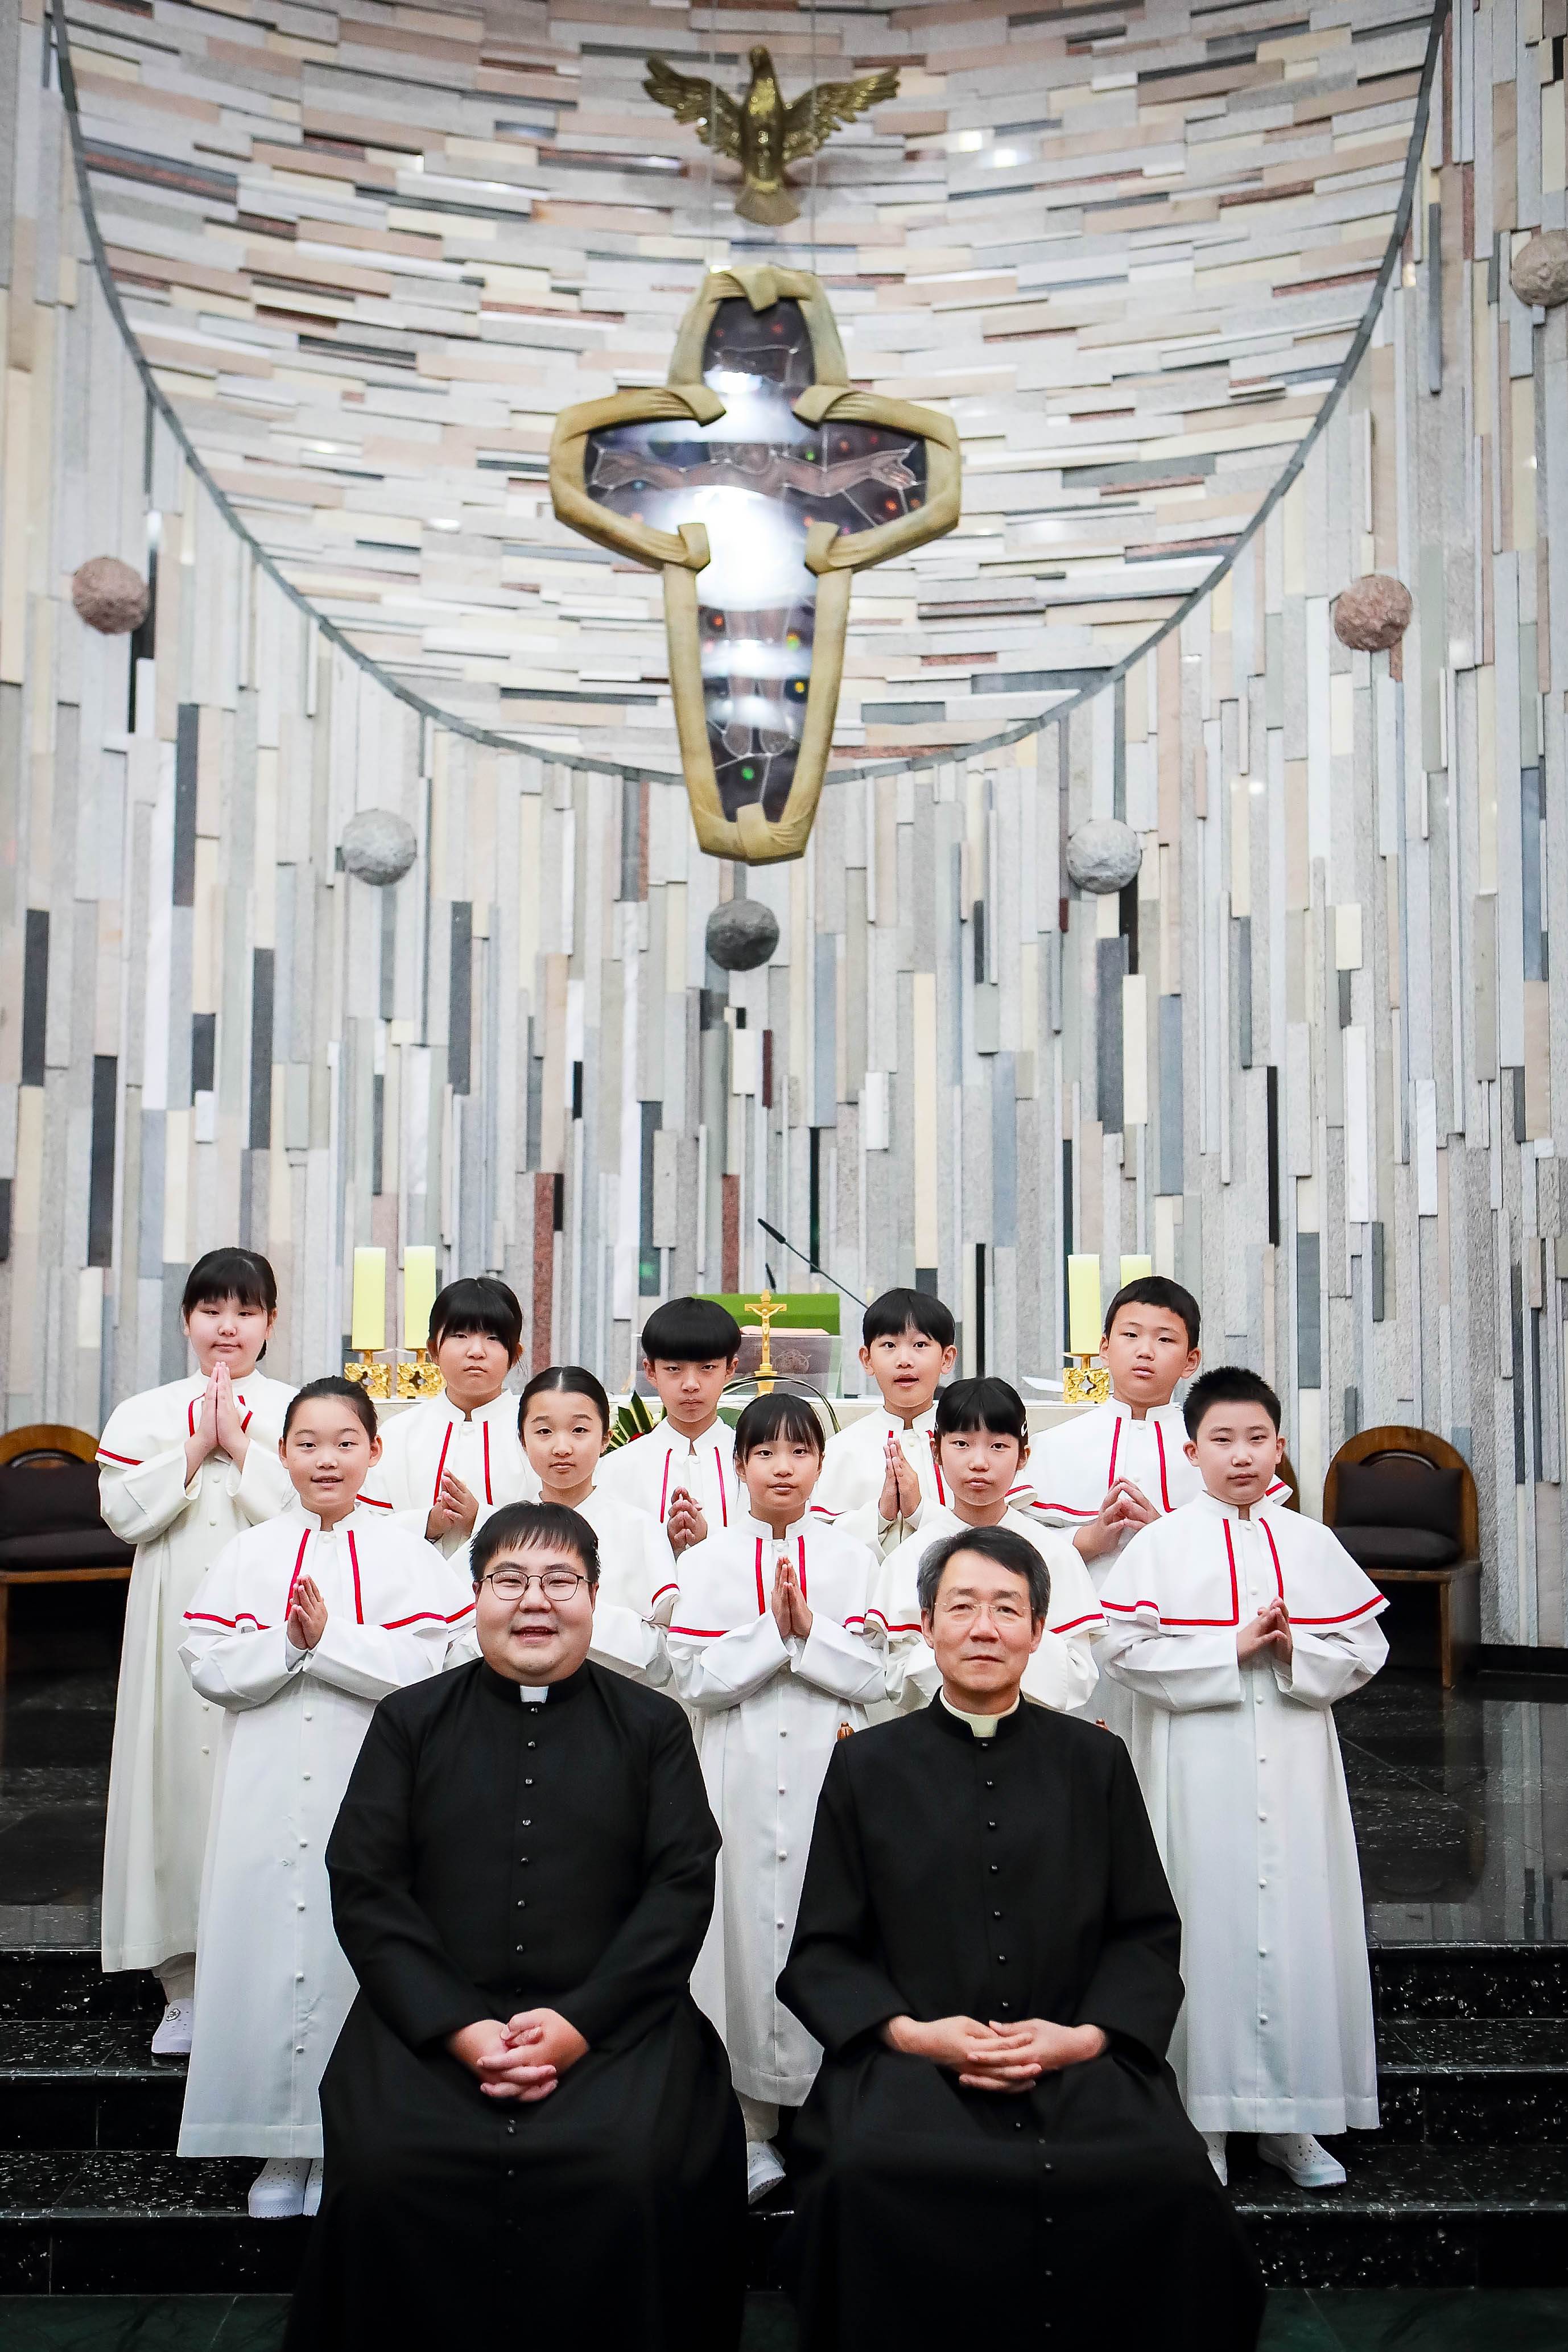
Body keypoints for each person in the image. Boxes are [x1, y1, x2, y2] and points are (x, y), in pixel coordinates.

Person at [777, 1524, 1265, 2352]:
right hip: (914, 2058)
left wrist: (1085, 2038)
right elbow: (824, 1947)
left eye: (1007, 1609)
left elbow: (1144, 1931)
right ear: (925, 1625)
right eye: (961, 1607)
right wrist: (913, 2034)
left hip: (1073, 2050)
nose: (984, 1628)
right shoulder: (866, 1766)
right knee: (866, 2176)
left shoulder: (1095, 1761)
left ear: (1039, 1630)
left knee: (1170, 2176)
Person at [283, 1503, 746, 2352]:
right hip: (432, 2025)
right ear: (475, 1596)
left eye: (561, 1581)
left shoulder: (653, 1727)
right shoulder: (410, 1721)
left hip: (614, 2024)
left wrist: (578, 2025)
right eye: (510, 1580)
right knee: (388, 2173)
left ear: (595, 1597)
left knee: (630, 2169)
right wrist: (460, 2027)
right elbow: (366, 1883)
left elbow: (680, 1888)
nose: (535, 1600)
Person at [177, 1378, 468, 2219]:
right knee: (264, 1946)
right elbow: (204, 1661)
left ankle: (347, 2140)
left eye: (345, 1442)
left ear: (375, 1451)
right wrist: (287, 1644)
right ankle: (278, 2143)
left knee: (359, 1949)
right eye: (307, 1443)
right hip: (265, 1782)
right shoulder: (249, 1553)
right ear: (283, 1454)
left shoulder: (409, 1556)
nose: (326, 1459)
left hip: (368, 1782)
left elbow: (439, 1666)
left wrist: (327, 1641)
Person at [1097, 1366, 1388, 2190]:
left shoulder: (1310, 1542)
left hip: (1294, 1768)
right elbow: (1121, 1651)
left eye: (1257, 1438)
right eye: (1222, 1440)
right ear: (1191, 1451)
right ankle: (1205, 2122)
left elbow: (1365, 1647)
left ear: (1279, 1445)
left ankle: (1293, 2122)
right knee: (1204, 1925)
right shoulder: (1161, 1545)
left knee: (1299, 1927)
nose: (1241, 1455)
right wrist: (1229, 1647)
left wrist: (1296, 1649)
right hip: (1200, 1765)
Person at [667, 1392, 891, 2205]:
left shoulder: (854, 1559)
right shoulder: (706, 1562)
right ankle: (747, 2128)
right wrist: (776, 1634)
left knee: (825, 1924)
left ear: (821, 1464)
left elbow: (879, 1675)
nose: (783, 1468)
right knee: (736, 1935)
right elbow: (690, 1677)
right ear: (739, 1466)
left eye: (800, 1452)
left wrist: (807, 1633)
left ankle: (829, 2115)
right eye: (765, 1453)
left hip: (832, 1770)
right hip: (737, 1769)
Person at [97, 1248, 296, 2056]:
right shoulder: (143, 1411)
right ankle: (179, 1988)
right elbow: (122, 1513)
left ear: (271, 1323)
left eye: (246, 1311)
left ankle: (258, 1984)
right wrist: (193, 1446)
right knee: (172, 1790)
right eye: (212, 1309)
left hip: (269, 1623)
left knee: (263, 1792)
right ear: (186, 1320)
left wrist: (242, 1447)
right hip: (171, 1626)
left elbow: (315, 1508)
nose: (227, 1326)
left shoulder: (299, 1409)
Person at [870, 1377, 1102, 1714]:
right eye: (962, 1444)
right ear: (936, 1451)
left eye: (998, 1446)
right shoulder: (909, 1556)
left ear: (1023, 1456)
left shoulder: (1054, 1553)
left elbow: (1079, 1676)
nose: (979, 1462)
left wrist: (994, 1656)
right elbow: (895, 1678)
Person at [472, 1368, 677, 1687]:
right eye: (544, 1431)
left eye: (579, 1430)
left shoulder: (639, 1529)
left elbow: (664, 1659)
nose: (562, 1447)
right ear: (522, 1440)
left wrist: (570, 1617)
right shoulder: (499, 1532)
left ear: (606, 1438)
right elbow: (461, 1639)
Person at [360, 1277, 537, 1555]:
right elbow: (365, 1528)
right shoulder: (398, 1434)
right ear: (433, 1350)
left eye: (493, 1338)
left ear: (515, 1354)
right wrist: (428, 1523)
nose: (476, 1352)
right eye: (460, 1336)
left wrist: (479, 1520)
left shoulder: (538, 1431)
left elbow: (560, 1523)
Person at [812, 1288, 959, 1552]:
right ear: (867, 1359)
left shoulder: (971, 1443)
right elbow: (820, 1543)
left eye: (920, 1345)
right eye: (889, 1345)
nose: (904, 1361)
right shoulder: (843, 1449)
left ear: (946, 1359)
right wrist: (880, 1515)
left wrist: (920, 1511)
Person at [597, 1295, 742, 1557]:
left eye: (707, 1368)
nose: (690, 1385)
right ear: (651, 1371)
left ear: (730, 1369)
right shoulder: (616, 1469)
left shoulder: (754, 1461)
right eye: (674, 1369)